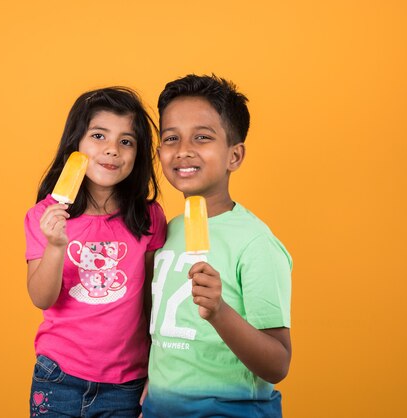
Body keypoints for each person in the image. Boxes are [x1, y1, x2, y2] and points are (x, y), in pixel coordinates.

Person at [141, 75, 292, 417]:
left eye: (202, 137)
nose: (183, 150)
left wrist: (220, 312)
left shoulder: (256, 243)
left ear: (234, 156)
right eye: (171, 138)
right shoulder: (168, 230)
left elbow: (278, 363)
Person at [24, 87, 167, 417]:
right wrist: (57, 246)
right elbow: (42, 298)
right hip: (58, 378)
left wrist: (158, 370)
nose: (112, 150)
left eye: (126, 141)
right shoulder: (42, 217)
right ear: (76, 145)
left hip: (127, 382)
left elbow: (150, 301)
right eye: (99, 136)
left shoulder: (148, 218)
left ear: (139, 153)